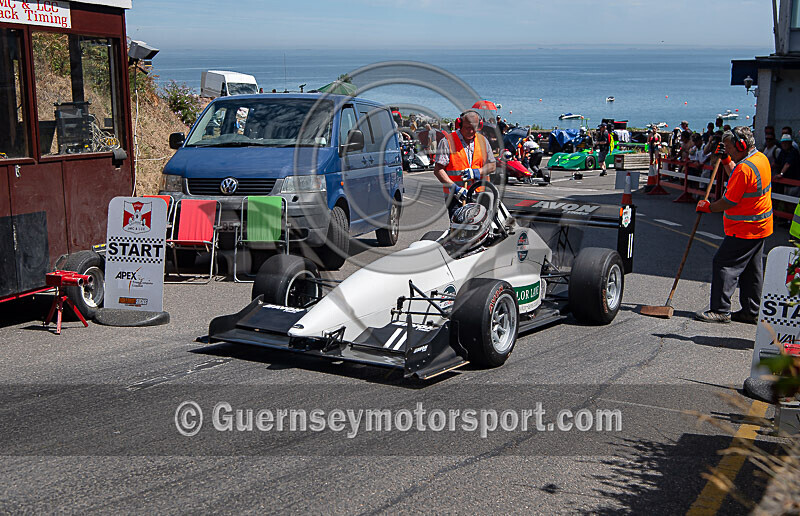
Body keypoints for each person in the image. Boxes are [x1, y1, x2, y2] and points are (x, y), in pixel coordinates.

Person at [695, 126, 773, 324]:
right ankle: (751, 311)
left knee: (723, 264)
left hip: (744, 228)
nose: (727, 150)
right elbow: (739, 179)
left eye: (729, 148)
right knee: (752, 271)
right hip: (760, 226)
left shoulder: (745, 168)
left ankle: (721, 310)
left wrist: (708, 207)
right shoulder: (760, 159)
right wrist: (727, 161)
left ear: (741, 145)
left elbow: (729, 201)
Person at [434, 110, 496, 218]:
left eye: (474, 128)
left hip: (479, 196)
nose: (471, 131)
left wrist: (477, 172)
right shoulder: (447, 142)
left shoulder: (483, 141)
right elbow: (438, 170)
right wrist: (455, 188)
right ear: (459, 124)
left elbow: (492, 165)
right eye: (468, 127)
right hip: (456, 197)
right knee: (459, 230)